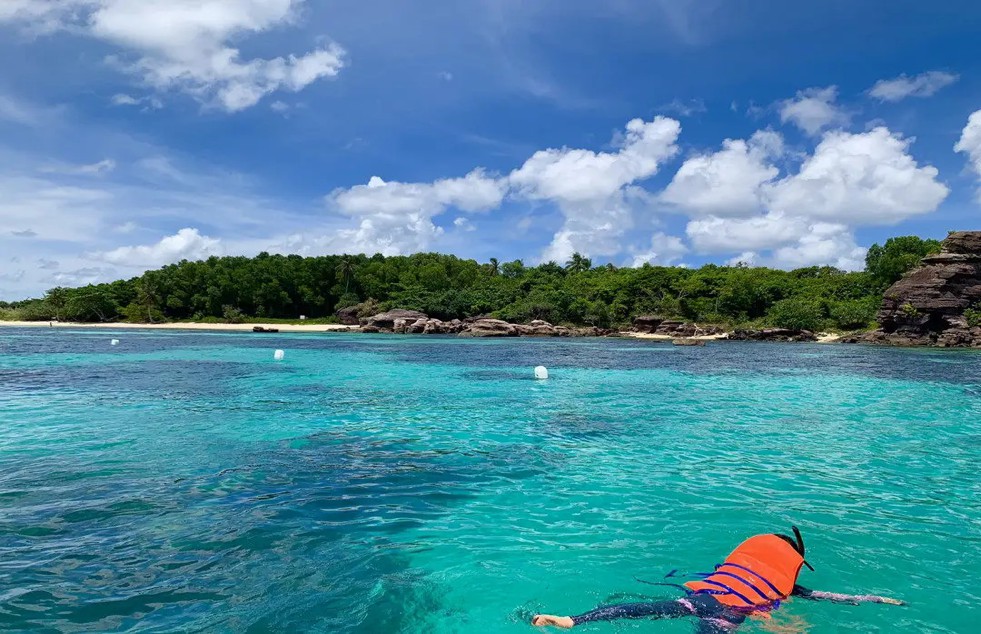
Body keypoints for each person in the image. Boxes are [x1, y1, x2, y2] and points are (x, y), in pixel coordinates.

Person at [531, 527, 902, 631]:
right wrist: (876, 599)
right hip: (730, 615)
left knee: (641, 609)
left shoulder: (724, 574)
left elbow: (692, 577)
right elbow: (831, 597)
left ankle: (572, 620)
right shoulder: (790, 586)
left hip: (701, 598)